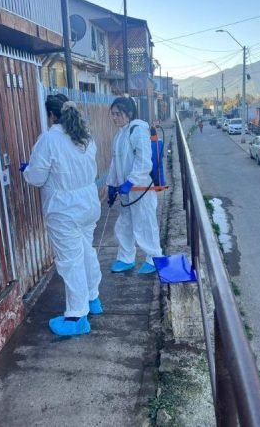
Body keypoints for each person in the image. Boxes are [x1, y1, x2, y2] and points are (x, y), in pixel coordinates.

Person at [21, 94, 102, 336]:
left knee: (70, 261)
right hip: (88, 203)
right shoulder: (85, 137)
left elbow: (36, 177)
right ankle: (92, 299)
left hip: (64, 209)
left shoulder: (49, 139)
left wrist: (27, 170)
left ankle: (77, 316)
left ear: (51, 115)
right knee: (86, 251)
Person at [106, 97, 164, 275]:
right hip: (126, 190)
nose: (115, 118)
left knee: (145, 224)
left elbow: (144, 161)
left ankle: (154, 258)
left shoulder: (138, 130)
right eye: (113, 114)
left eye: (118, 114)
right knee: (125, 225)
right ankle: (126, 258)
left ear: (129, 114)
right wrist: (111, 184)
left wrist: (131, 181)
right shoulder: (120, 134)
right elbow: (116, 163)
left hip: (140, 189)